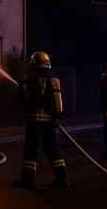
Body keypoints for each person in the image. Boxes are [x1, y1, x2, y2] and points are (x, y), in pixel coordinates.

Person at [14, 51, 69, 189]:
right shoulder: (54, 80)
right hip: (51, 121)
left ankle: (28, 181)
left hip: (34, 121)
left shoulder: (29, 82)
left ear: (34, 65)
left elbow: (23, 98)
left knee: (31, 150)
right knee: (52, 148)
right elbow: (57, 104)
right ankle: (62, 179)